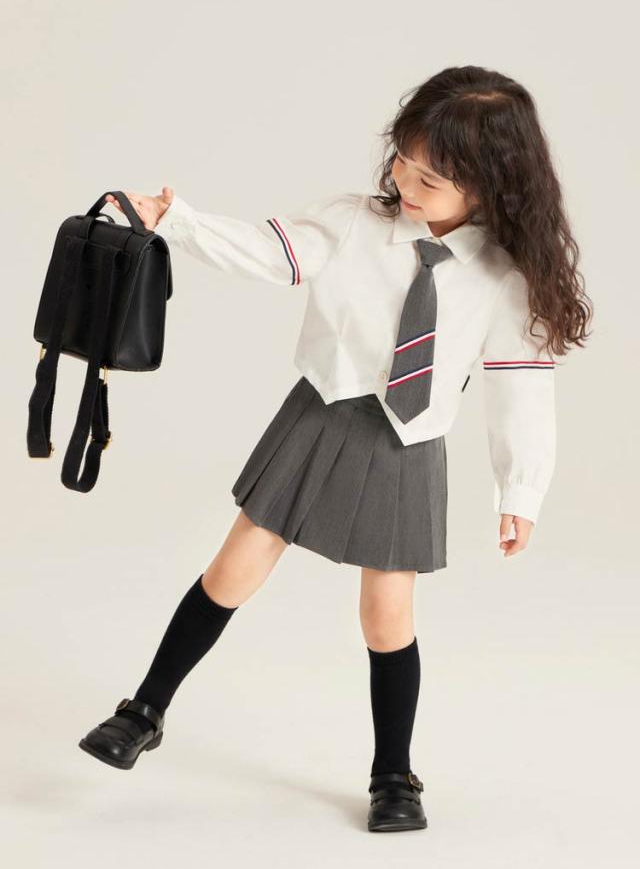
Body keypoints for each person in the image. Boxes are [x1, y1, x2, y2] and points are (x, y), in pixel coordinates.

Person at [78, 65, 592, 833]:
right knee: (231, 570)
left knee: (387, 615)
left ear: (490, 186)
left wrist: (521, 490)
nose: (405, 182)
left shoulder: (501, 276)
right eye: (403, 161)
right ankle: (143, 711)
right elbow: (268, 252)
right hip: (321, 416)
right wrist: (172, 220)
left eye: (430, 178)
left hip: (408, 442)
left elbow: (521, 385)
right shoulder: (354, 224)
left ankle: (393, 774)